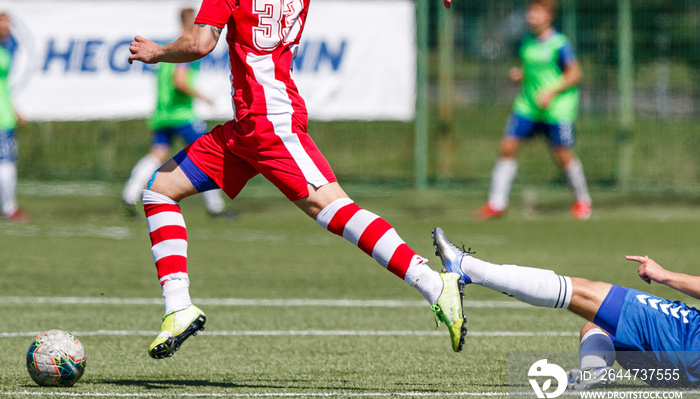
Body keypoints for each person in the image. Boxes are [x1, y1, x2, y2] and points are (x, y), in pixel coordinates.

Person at [128, 0, 465, 359]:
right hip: (248, 128)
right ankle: (178, 306)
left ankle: (432, 283)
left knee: (335, 209)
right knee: (160, 190)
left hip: (269, 123)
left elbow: (200, 43)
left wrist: (157, 52)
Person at [432, 226, 700, 389]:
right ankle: (596, 371)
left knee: (580, 291)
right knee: (596, 327)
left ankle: (468, 269)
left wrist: (664, 275)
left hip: (689, 338)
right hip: (681, 373)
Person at [475, 0, 592, 221]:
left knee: (562, 154)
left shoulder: (559, 43)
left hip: (557, 109)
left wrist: (551, 91)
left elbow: (575, 74)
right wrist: (519, 74)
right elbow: (532, 70)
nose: (531, 17)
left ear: (549, 16)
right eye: (530, 12)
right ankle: (496, 203)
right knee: (507, 146)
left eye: (536, 13)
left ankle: (583, 201)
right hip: (527, 106)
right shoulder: (526, 41)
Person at [121, 8, 230, 218]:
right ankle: (215, 207)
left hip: (163, 113)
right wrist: (203, 96)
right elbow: (179, 80)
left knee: (157, 155)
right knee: (209, 153)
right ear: (193, 22)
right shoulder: (186, 47)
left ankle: (128, 196)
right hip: (182, 114)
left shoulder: (169, 46)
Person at [0, 12, 28, 223]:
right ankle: (9, 208)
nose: (5, 28)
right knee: (6, 164)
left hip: (5, 115)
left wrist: (13, 108)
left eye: (8, 25)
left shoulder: (6, 51)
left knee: (7, 163)